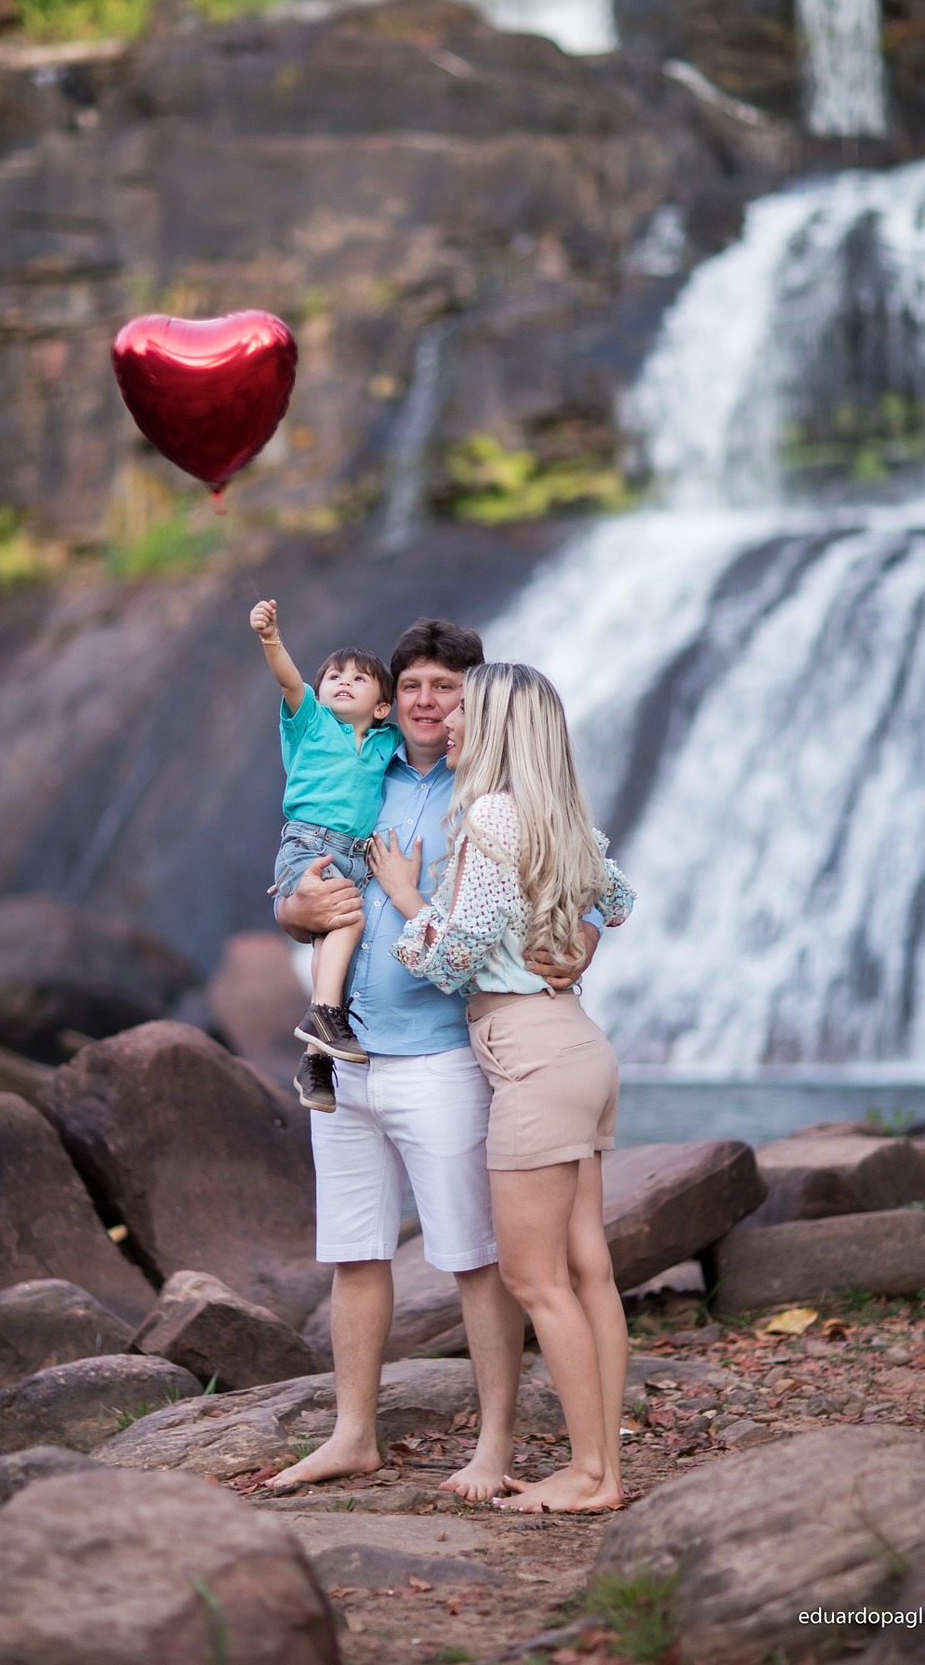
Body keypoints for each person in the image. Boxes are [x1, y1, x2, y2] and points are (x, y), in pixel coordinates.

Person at [266, 620, 605, 1500]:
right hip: (341, 1052)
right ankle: (353, 1435)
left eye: (445, 688)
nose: (426, 701)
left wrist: (588, 940)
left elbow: (595, 875)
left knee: (476, 1259)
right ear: (390, 697)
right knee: (354, 1251)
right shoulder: (357, 764)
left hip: (447, 1054)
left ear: (473, 700)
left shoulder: (494, 787)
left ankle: (494, 1447)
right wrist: (294, 912)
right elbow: (298, 889)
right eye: (411, 685)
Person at [378, 661, 634, 1512]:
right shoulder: (562, 817)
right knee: (588, 1269)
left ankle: (589, 1473)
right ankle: (604, 1469)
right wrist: (583, 932)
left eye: (465, 709)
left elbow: (457, 954)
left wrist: (410, 906)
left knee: (535, 1279)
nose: (447, 718)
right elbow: (620, 897)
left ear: (494, 724)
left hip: (528, 1051)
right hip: (580, 1049)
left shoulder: (489, 813)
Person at [249, 596, 399, 1109]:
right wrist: (272, 638)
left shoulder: (386, 741)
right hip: (310, 845)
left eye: (358, 679)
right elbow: (290, 681)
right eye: (335, 675)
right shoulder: (312, 722)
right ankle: (323, 1017)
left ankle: (316, 1063)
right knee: (347, 922)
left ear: (382, 706)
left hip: (355, 855)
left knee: (331, 940)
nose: (342, 682)